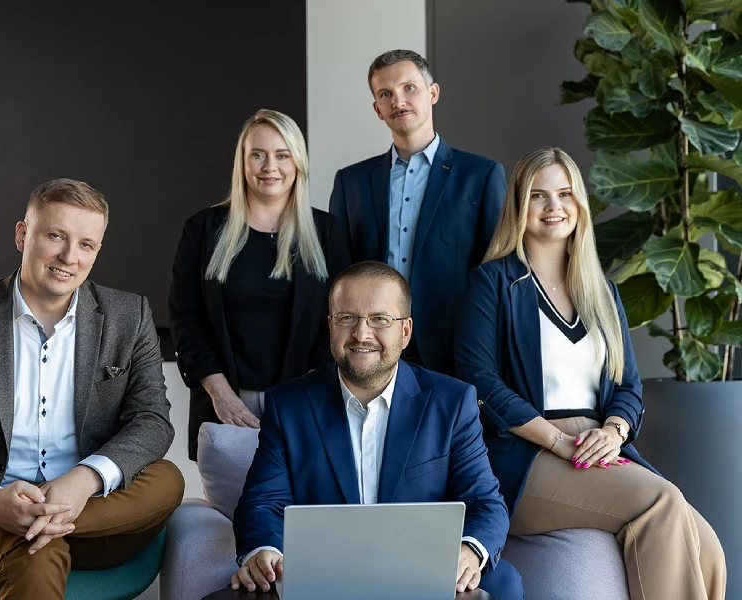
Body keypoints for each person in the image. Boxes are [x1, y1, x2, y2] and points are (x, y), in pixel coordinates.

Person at [455, 147, 726, 600]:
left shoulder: (602, 291)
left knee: (709, 548)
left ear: (579, 203)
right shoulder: (492, 283)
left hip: (596, 442)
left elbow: (628, 386)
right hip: (527, 454)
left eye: (565, 194)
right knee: (660, 503)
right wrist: (557, 440)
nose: (554, 206)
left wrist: (615, 430)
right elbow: (480, 383)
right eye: (538, 195)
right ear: (519, 205)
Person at [0, 179, 184, 600]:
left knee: (167, 479)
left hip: (97, 519)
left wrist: (84, 481)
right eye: (56, 236)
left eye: (86, 244)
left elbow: (152, 421)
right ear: (22, 235)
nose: (70, 257)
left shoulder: (129, 315)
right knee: (35, 557)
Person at [231, 261, 523, 600]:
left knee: (503, 583)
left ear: (405, 331)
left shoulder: (452, 402)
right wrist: (265, 550)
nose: (361, 334)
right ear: (331, 326)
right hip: (325, 569)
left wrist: (469, 551)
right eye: (347, 318)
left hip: (425, 566)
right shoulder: (288, 405)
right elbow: (263, 501)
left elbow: (484, 500)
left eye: (380, 319)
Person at [169, 109, 351, 460]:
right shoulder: (202, 230)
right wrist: (221, 394)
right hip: (225, 404)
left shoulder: (327, 232)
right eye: (258, 155)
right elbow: (185, 320)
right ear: (242, 161)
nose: (270, 167)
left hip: (305, 402)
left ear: (297, 162)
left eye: (282, 155)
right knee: (231, 497)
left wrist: (308, 390)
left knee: (298, 495)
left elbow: (340, 319)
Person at [329, 49, 505, 376]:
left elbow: (494, 271)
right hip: (371, 348)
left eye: (409, 88)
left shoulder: (480, 176)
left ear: (433, 93)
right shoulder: (350, 182)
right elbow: (340, 271)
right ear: (377, 109)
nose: (398, 101)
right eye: (386, 94)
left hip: (454, 349)